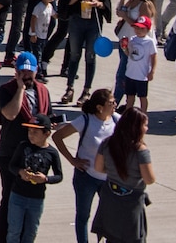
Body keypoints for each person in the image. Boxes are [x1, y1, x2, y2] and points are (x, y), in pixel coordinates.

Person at [0, 52, 53, 243]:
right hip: (10, 154)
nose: (26, 76)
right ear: (16, 72)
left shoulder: (43, 91)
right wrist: (20, 89)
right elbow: (10, 115)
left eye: (30, 72)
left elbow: (47, 117)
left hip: (34, 156)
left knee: (29, 202)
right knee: (10, 199)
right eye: (22, 72)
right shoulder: (6, 90)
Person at [51, 89, 119, 243]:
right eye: (111, 102)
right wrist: (72, 160)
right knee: (83, 215)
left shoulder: (117, 120)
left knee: (109, 216)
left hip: (108, 180)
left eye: (114, 102)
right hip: (85, 177)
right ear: (99, 107)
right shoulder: (85, 121)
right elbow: (57, 137)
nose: (114, 105)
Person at [91, 108, 154, 243]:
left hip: (110, 198)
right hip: (131, 203)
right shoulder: (140, 150)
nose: (146, 129)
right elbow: (149, 179)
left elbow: (98, 167)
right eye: (144, 125)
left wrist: (114, 172)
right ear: (136, 127)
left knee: (112, 237)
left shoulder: (107, 143)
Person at [6, 118, 64, 243]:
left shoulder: (52, 153)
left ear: (47, 134)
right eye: (29, 131)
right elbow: (12, 166)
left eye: (35, 132)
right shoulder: (23, 146)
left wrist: (45, 179)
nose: (31, 135)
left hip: (36, 199)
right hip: (18, 196)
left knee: (31, 232)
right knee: (13, 232)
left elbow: (59, 176)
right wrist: (21, 172)